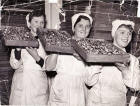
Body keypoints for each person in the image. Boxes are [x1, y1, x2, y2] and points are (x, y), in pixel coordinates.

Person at [45, 13, 102, 106]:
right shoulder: (62, 42)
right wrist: (57, 47)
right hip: (61, 89)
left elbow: (91, 81)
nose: (84, 29)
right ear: (73, 27)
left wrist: (84, 59)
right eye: (80, 25)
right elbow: (48, 67)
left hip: (80, 92)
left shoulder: (92, 49)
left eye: (87, 26)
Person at [87, 19, 140, 106]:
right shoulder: (98, 53)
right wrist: (98, 61)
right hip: (96, 102)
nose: (126, 36)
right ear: (114, 33)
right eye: (122, 32)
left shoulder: (133, 59)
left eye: (129, 33)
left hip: (117, 103)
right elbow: (89, 82)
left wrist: (125, 70)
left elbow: (136, 87)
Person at [9, 10, 49, 105]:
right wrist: (18, 50)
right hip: (21, 84)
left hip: (38, 85)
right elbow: (14, 65)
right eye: (36, 21)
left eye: (42, 22)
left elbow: (49, 66)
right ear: (29, 23)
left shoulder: (48, 42)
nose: (39, 25)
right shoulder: (19, 38)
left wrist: (36, 57)